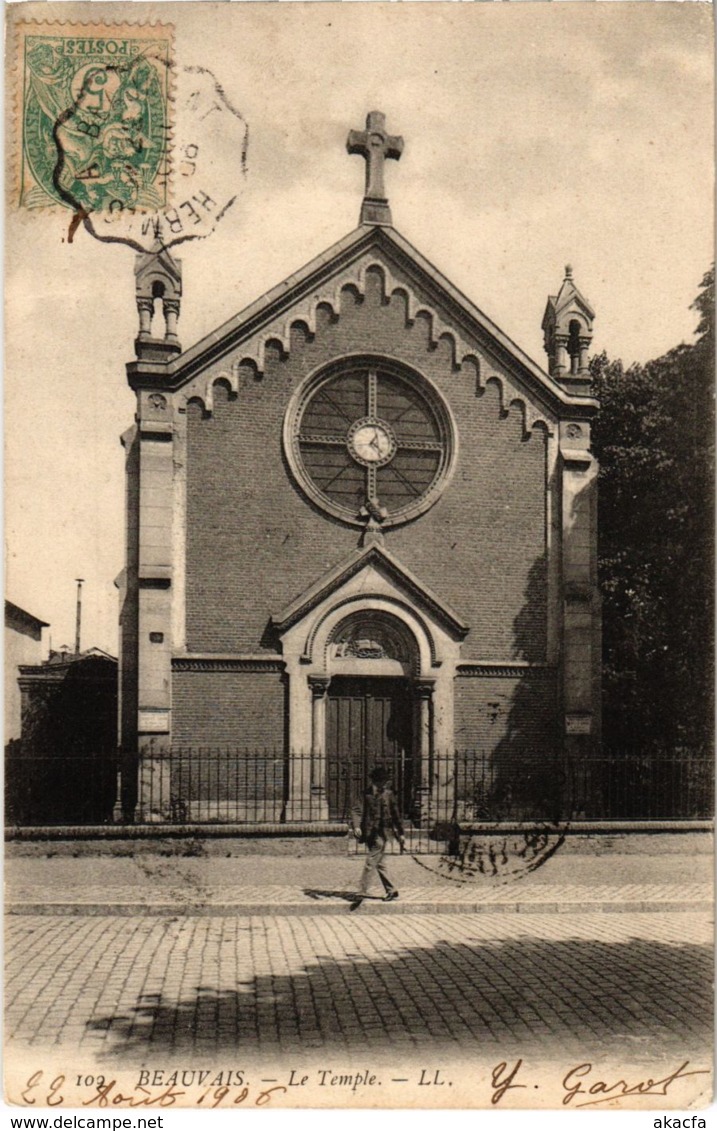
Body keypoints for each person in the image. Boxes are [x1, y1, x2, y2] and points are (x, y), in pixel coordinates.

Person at [351, 765, 405, 908]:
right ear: (374, 781)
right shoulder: (365, 794)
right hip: (369, 832)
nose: (383, 784)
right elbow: (357, 810)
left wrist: (401, 833)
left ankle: (362, 890)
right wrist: (356, 826)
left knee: (371, 861)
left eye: (384, 782)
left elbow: (396, 815)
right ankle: (392, 890)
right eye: (380, 781)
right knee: (379, 863)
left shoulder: (389, 795)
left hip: (383, 832)